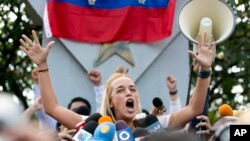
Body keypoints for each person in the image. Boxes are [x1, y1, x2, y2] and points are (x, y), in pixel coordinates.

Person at [20, 30, 215, 130]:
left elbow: (193, 110)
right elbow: (52, 108)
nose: (129, 92)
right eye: (120, 90)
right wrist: (42, 66)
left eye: (132, 89)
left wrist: (205, 69)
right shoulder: (94, 126)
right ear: (111, 102)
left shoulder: (154, 125)